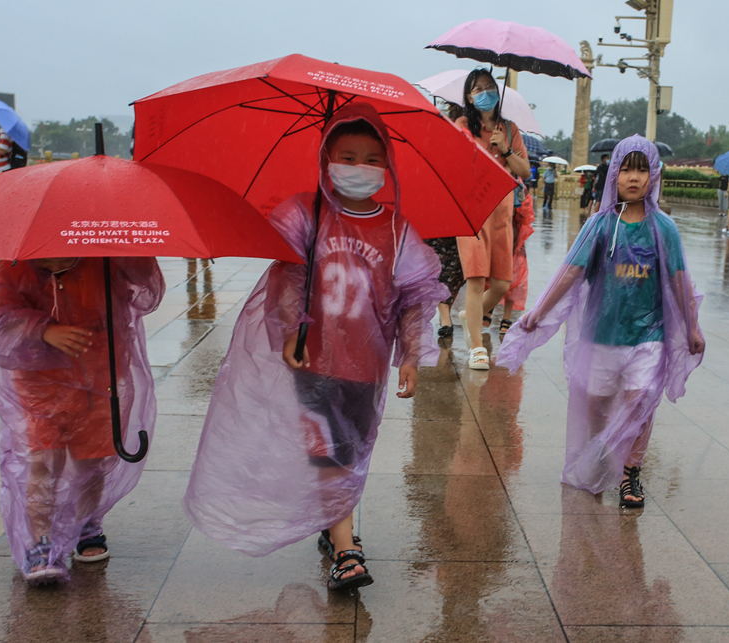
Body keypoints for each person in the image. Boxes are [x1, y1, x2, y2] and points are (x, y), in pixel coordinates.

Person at [182, 104, 447, 591]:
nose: (360, 168)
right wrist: (291, 328)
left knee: (352, 448)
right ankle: (347, 549)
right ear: (326, 159)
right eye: (348, 157)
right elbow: (286, 273)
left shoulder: (396, 230)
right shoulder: (305, 213)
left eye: (372, 159)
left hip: (366, 365)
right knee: (330, 450)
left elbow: (416, 296)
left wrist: (411, 354)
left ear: (387, 166)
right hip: (316, 358)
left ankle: (332, 522)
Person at [497, 135, 705, 508]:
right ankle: (603, 450)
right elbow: (570, 273)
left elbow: (679, 280)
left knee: (640, 401)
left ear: (654, 176)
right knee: (598, 403)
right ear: (613, 175)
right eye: (626, 169)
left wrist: (692, 326)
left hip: (648, 337)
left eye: (642, 170)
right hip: (603, 335)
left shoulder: (664, 229)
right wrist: (539, 312)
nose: (633, 178)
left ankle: (630, 472)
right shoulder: (600, 226)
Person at [0, 256, 165, 584]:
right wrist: (43, 330)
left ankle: (87, 524)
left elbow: (144, 294)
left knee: (93, 460)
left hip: (100, 375)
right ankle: (39, 542)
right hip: (40, 383)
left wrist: (131, 259)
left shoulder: (104, 259)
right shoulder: (15, 268)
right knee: (41, 461)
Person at [453, 69, 530, 370]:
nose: (485, 93)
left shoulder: (509, 129)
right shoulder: (462, 126)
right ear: (469, 97)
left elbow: (524, 171)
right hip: (472, 212)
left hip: (501, 213)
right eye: (478, 89)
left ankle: (469, 316)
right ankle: (476, 348)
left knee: (500, 284)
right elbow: (458, 163)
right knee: (475, 278)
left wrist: (506, 148)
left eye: (489, 87)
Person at [427, 101, 467, 338]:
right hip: (438, 209)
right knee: (440, 264)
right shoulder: (443, 131)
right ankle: (443, 315)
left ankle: (445, 312)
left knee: (457, 268)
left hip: (461, 211)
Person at [498, 178, 535, 337]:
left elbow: (526, 211)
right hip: (496, 233)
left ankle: (506, 317)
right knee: (492, 275)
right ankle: (489, 309)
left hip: (514, 234)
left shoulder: (518, 184)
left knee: (515, 277)